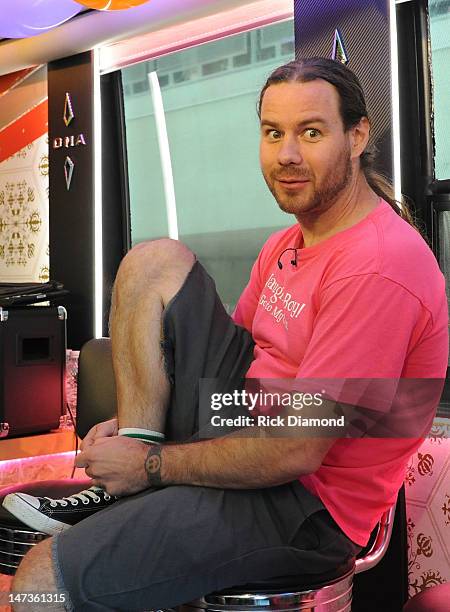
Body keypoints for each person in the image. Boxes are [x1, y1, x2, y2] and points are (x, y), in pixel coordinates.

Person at [5, 58, 448, 611]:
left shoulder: (379, 268)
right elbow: (220, 380)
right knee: (153, 261)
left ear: (357, 136)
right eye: (273, 133)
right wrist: (140, 427)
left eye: (311, 132)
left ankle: (137, 484)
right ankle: (136, 465)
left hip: (305, 507)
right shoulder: (286, 245)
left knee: (42, 578)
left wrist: (150, 468)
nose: (287, 154)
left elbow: (299, 450)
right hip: (252, 427)